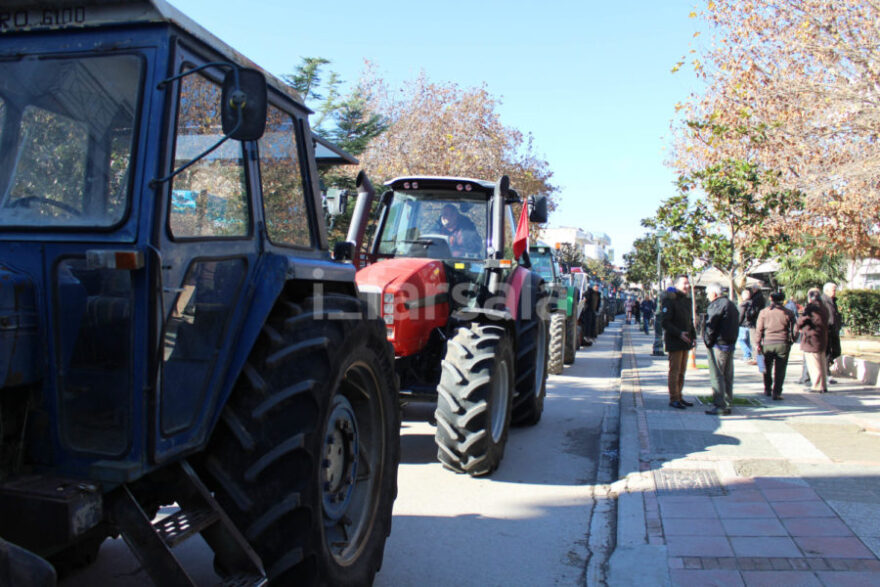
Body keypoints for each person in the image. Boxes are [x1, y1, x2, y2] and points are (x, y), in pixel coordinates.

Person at [703, 284, 739, 415]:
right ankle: (727, 402)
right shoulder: (731, 304)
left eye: (708, 294)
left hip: (719, 345)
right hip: (729, 344)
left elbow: (711, 325)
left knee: (718, 375)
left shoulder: (717, 305)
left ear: (714, 293)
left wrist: (708, 341)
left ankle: (720, 404)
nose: (707, 297)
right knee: (727, 375)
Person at [661, 275, 696, 410]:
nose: (687, 286)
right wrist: (679, 333)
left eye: (688, 283)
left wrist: (693, 336)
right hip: (675, 341)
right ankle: (674, 398)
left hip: (685, 341)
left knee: (682, 371)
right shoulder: (669, 300)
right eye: (684, 283)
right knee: (674, 371)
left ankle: (680, 396)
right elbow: (665, 322)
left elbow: (689, 320)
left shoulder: (686, 300)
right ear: (676, 285)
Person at [756, 291, 797, 400]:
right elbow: (795, 329)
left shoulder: (764, 312)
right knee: (780, 369)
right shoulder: (788, 313)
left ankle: (767, 389)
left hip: (768, 343)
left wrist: (758, 343)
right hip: (783, 342)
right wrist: (792, 340)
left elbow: (759, 329)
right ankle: (777, 392)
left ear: (771, 299)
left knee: (767, 368)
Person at [798, 288, 829, 393]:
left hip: (812, 339)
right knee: (822, 364)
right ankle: (823, 385)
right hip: (822, 338)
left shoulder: (811, 308)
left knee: (814, 364)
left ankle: (817, 385)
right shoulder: (824, 307)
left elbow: (802, 321)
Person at [821, 282, 842, 383]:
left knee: (836, 351)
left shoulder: (833, 301)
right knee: (827, 353)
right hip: (827, 331)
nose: (835, 292)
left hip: (834, 330)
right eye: (834, 290)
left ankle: (827, 366)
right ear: (827, 291)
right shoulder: (823, 301)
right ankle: (826, 375)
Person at [737, 289, 755, 364]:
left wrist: (737, 323)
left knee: (741, 340)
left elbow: (740, 315)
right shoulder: (753, 304)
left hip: (743, 325)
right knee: (747, 341)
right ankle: (750, 354)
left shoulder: (743, 304)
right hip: (751, 325)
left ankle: (747, 355)